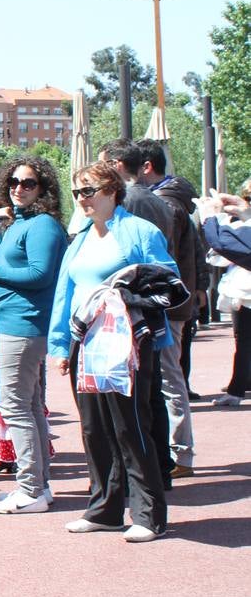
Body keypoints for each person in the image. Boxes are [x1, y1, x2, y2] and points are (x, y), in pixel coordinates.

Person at [48, 161, 182, 542]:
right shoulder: (80, 239)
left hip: (128, 343)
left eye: (88, 191)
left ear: (111, 191)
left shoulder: (139, 232)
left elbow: (168, 283)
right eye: (77, 193)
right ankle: (105, 510)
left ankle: (148, 513)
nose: (81, 199)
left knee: (131, 426)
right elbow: (65, 295)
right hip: (85, 343)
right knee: (94, 428)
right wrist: (60, 345)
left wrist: (126, 293)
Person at [0, 156, 67, 515]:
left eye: (28, 184)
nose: (18, 189)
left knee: (14, 406)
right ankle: (39, 484)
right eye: (13, 183)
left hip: (24, 326)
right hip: (11, 325)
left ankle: (30, 488)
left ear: (43, 189)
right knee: (28, 404)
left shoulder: (42, 226)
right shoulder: (15, 223)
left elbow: (40, 275)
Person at [134, 140, 201, 478]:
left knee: (170, 379)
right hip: (177, 302)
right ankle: (180, 451)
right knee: (169, 377)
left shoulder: (163, 204)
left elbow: (167, 258)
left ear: (146, 167)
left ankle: (182, 452)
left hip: (168, 305)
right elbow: (195, 251)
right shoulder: (175, 200)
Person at [201, 181, 251, 406]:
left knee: (244, 339)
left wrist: (210, 216)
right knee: (244, 340)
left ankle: (237, 389)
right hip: (243, 290)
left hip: (244, 288)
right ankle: (238, 387)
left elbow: (224, 243)